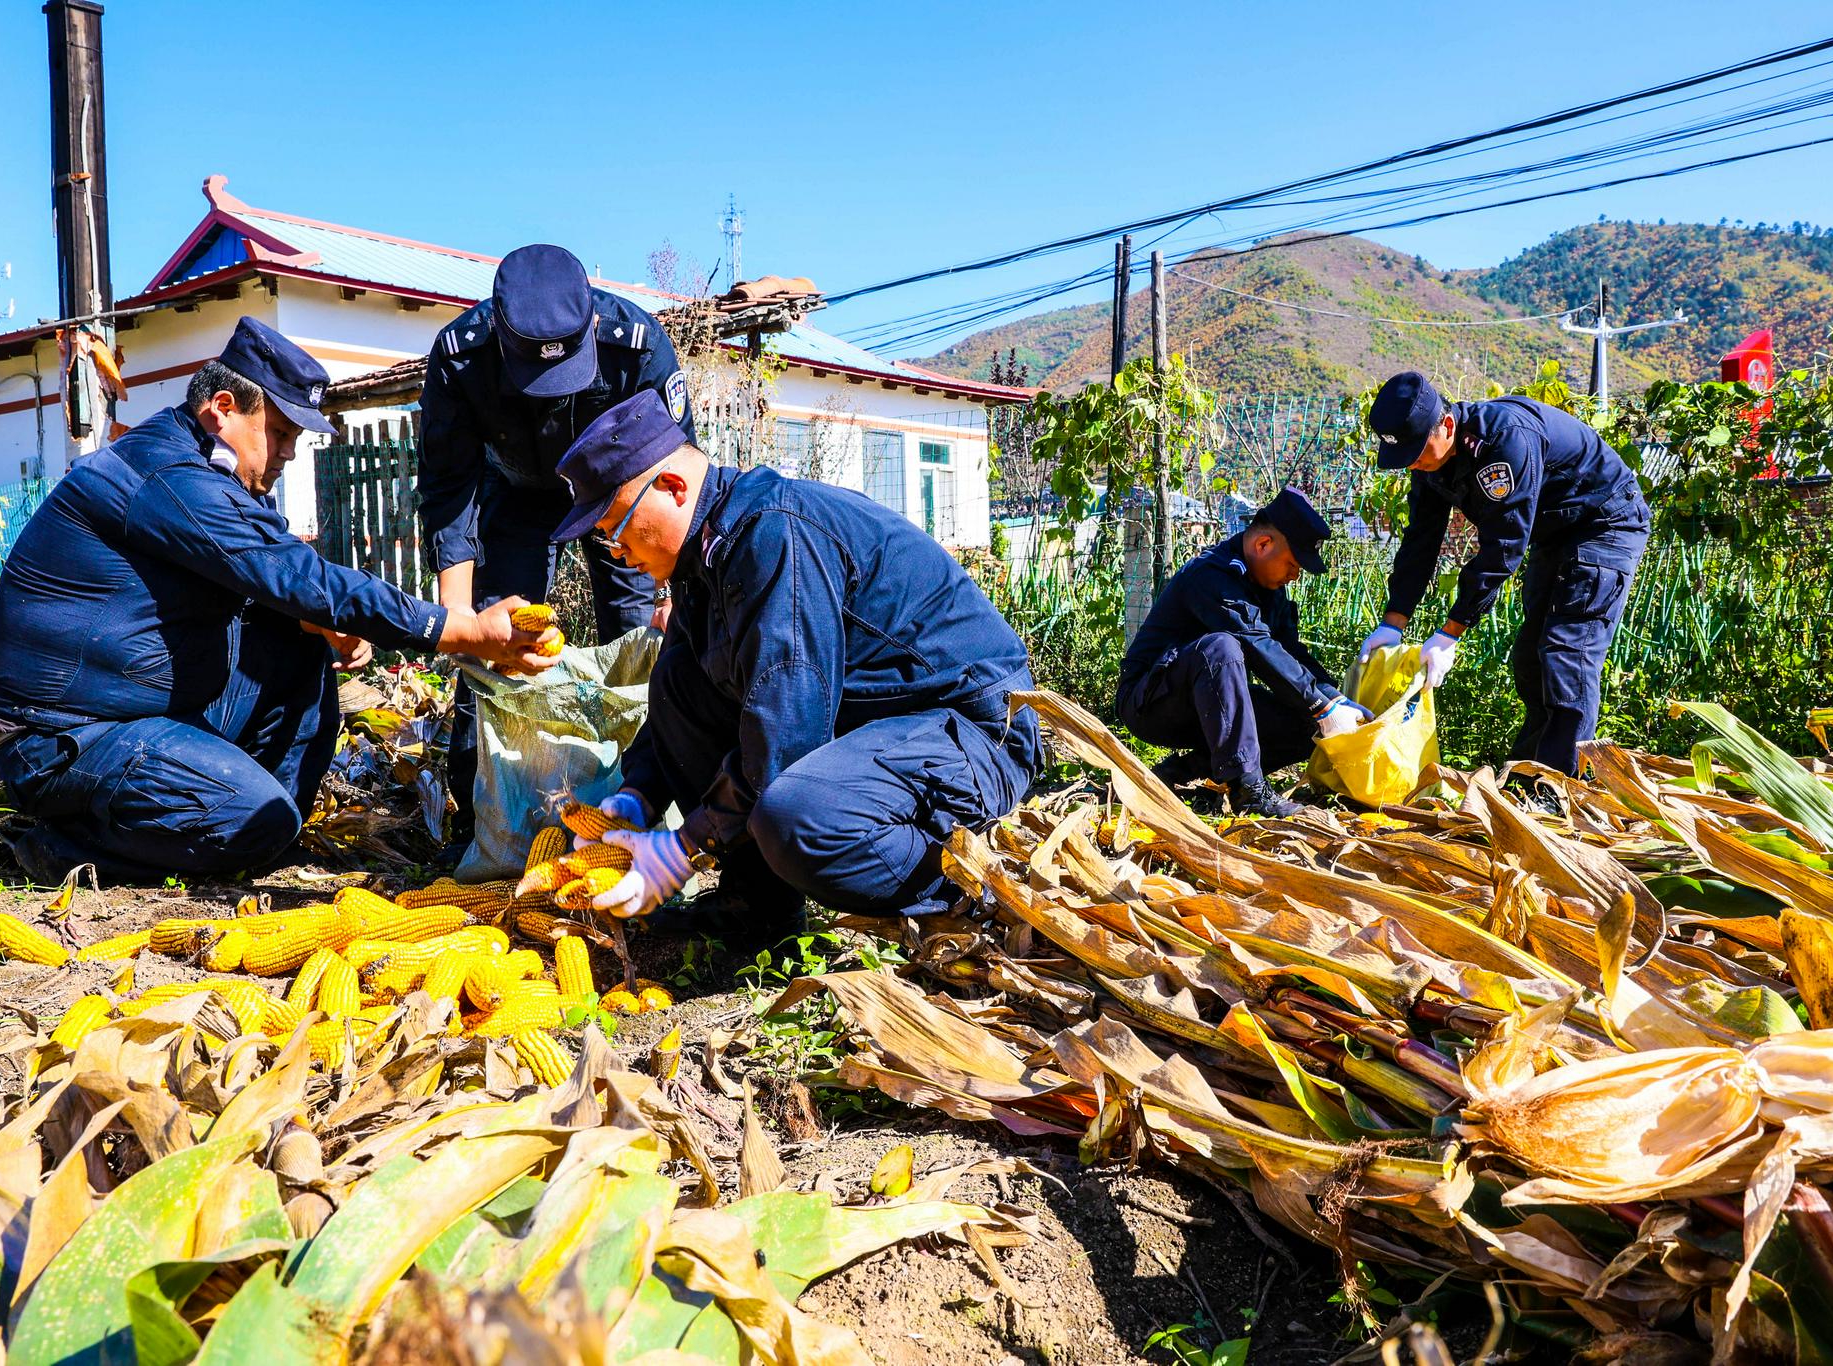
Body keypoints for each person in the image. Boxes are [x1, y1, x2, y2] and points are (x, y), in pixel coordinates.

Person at [0, 317, 556, 883]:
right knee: (254, 818)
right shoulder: (167, 475)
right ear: (223, 409)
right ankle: (64, 849)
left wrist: (321, 623)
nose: (289, 453)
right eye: (279, 433)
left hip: (139, 709)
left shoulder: (207, 472)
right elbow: (293, 574)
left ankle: (253, 825)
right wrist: (463, 631)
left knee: (296, 653)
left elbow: (290, 580)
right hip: (62, 740)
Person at [548, 390, 1042, 940]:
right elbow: (679, 702)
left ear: (671, 486)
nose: (615, 552)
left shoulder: (773, 536)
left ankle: (972, 898)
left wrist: (683, 848)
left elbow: (787, 730)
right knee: (679, 679)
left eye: (614, 529)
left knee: (797, 815)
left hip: (970, 729)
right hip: (881, 722)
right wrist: (636, 797)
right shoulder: (707, 553)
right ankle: (757, 909)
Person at [416, 244, 697, 842]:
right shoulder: (460, 357)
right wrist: (460, 621)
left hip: (613, 497)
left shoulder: (636, 345)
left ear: (593, 323)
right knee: (500, 644)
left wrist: (674, 588)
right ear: (496, 329)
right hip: (515, 491)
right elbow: (447, 488)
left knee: (636, 637)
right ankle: (482, 817)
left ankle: (634, 806)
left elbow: (678, 475)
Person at [1358, 370, 1650, 788]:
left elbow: (1504, 547)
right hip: (1554, 532)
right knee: (1531, 657)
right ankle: (1531, 771)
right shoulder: (1430, 461)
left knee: (1567, 651)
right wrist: (1394, 621)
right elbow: (1420, 541)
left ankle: (1561, 785)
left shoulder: (1504, 441)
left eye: (1417, 451)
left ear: (1446, 425)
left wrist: (1449, 634)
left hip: (1604, 522)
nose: (1414, 462)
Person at [1115, 488, 1367, 818]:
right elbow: (1254, 643)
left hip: (1212, 703)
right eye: (1292, 564)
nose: (1295, 575)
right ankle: (1249, 790)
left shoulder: (1268, 588)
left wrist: (1335, 701)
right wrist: (1321, 704)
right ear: (1263, 545)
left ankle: (1183, 777)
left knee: (1307, 723)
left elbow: (1288, 653)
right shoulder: (1212, 576)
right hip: (1151, 702)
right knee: (1222, 645)